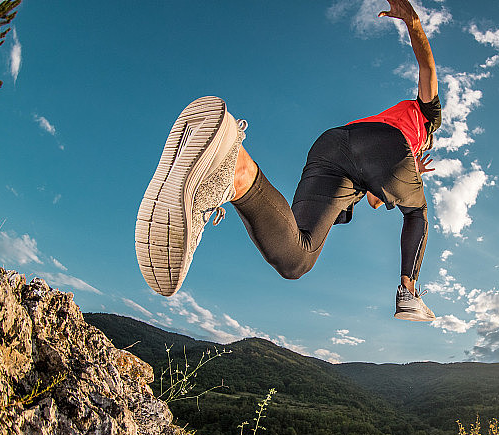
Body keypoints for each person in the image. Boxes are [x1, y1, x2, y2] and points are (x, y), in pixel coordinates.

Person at [135, 0, 441, 321]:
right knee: (417, 212)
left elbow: (379, 199)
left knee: (297, 258)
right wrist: (413, 21)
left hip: (334, 148)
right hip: (381, 145)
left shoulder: (403, 157)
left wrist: (407, 171)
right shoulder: (428, 117)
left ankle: (237, 170)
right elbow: (428, 71)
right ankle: (409, 291)